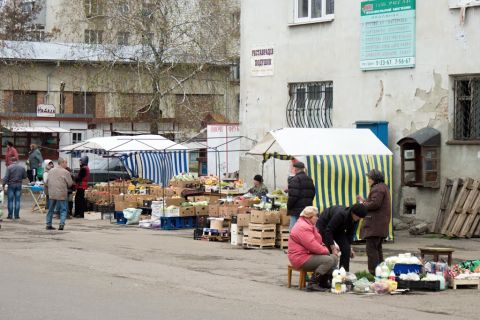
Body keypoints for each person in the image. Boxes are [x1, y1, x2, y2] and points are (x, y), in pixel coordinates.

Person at [288, 206, 338, 291]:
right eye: (316, 216)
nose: (317, 218)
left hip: (307, 255)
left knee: (334, 258)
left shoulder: (309, 225)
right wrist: (325, 251)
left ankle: (323, 282)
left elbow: (318, 242)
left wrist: (325, 250)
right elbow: (312, 245)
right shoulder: (303, 227)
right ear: (309, 217)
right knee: (328, 260)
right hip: (300, 258)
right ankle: (312, 283)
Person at [357, 169, 391, 274]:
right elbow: (375, 203)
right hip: (380, 225)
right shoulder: (382, 187)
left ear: (374, 179)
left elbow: (375, 204)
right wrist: (365, 201)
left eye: (369, 178)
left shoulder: (377, 189)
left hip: (374, 225)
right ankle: (381, 272)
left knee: (372, 251)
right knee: (377, 249)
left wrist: (362, 203)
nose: (368, 181)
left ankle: (374, 273)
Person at [316, 203, 368, 272]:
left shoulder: (356, 219)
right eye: (358, 217)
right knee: (328, 249)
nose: (359, 219)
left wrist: (350, 248)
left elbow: (350, 234)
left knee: (346, 248)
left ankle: (344, 272)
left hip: (338, 228)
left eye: (360, 218)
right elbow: (329, 230)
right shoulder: (341, 214)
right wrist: (333, 247)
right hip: (324, 226)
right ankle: (327, 274)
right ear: (353, 213)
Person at [45, 158, 73, 230]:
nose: (66, 164)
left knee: (50, 209)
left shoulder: (51, 171)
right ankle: (61, 224)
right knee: (63, 209)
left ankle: (48, 224)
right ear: (62, 163)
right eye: (65, 163)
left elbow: (46, 181)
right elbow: (70, 183)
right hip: (61, 193)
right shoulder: (66, 172)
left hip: (52, 193)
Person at [287, 161, 316, 230]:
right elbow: (313, 193)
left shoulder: (295, 180)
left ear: (296, 169)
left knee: (293, 230)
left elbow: (293, 197)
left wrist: (289, 207)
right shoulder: (309, 179)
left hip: (296, 210)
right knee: (304, 229)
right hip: (307, 209)